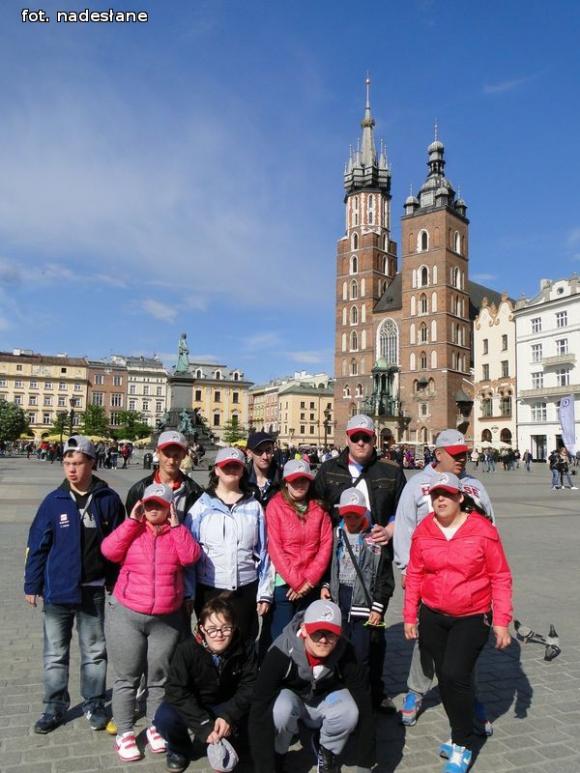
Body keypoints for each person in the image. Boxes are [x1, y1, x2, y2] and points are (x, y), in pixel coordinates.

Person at [404, 472, 512, 773]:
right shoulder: (424, 530)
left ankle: (463, 744)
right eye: (436, 495)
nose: (441, 500)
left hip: (472, 615)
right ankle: (458, 732)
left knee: (455, 675)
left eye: (447, 494)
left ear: (460, 497)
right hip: (433, 616)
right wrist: (410, 615)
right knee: (446, 678)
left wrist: (501, 621)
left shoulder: (482, 530)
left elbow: (500, 576)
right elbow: (415, 574)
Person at [393, 429, 495, 727]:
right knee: (426, 639)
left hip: (469, 581)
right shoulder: (417, 485)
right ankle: (416, 691)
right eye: (456, 454)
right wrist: (406, 569)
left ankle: (469, 696)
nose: (462, 459)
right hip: (429, 577)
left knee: (465, 646)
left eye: (465, 454)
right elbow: (404, 529)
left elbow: (491, 527)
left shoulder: (475, 486)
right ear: (438, 454)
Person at [24, 435, 125, 734]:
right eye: (67, 463)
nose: (71, 469)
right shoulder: (53, 501)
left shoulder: (108, 500)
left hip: (92, 590)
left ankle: (94, 703)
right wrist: (32, 584)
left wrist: (116, 580)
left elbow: (119, 544)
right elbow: (37, 544)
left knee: (94, 651)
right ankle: (54, 706)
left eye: (78, 463)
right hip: (57, 590)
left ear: (91, 464)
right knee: (55, 653)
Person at [312, 414, 406, 712]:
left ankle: (374, 690)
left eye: (366, 437)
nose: (361, 442)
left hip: (377, 563)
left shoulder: (390, 471)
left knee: (373, 630)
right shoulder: (329, 470)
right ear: (347, 439)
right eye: (356, 437)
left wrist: (389, 530)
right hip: (338, 562)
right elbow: (317, 511)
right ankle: (336, 686)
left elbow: (403, 512)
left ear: (374, 439)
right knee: (335, 626)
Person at [101, 483, 201, 762]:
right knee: (127, 677)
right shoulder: (133, 529)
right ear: (142, 506)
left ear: (170, 508)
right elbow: (109, 551)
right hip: (127, 614)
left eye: (160, 505)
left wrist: (177, 528)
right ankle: (124, 732)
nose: (154, 509)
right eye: (150, 505)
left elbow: (191, 557)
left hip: (166, 619)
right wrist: (132, 522)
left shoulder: (177, 533)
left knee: (159, 678)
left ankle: (155, 726)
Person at [249, 599, 375, 773]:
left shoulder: (346, 651)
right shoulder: (280, 651)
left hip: (326, 698)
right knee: (279, 711)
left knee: (350, 711)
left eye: (330, 634)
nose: (323, 640)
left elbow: (364, 701)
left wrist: (365, 763)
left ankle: (327, 751)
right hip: (292, 699)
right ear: (305, 629)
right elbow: (259, 705)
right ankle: (279, 753)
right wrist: (264, 768)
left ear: (339, 634)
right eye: (317, 632)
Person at [154, 595, 258, 773]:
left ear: (234, 627)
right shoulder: (186, 650)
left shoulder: (245, 647)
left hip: (227, 703)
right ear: (202, 628)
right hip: (194, 703)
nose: (219, 635)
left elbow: (250, 685)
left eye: (226, 628)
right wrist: (202, 724)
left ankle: (235, 740)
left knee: (254, 719)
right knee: (164, 718)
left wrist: (229, 715)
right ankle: (179, 749)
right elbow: (175, 690)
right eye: (212, 629)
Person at [185, 447, 272, 641]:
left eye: (236, 466)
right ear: (216, 470)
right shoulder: (200, 506)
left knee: (244, 641)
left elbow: (264, 552)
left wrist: (264, 593)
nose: (231, 470)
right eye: (226, 466)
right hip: (210, 588)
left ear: (243, 470)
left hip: (245, 588)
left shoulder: (254, 506)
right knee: (213, 641)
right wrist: (189, 593)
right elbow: (189, 554)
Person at [321, 487, 394, 709]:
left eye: (356, 514)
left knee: (362, 654)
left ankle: (364, 698)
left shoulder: (375, 537)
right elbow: (329, 565)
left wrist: (378, 607)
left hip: (364, 603)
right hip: (340, 599)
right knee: (338, 649)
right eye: (348, 515)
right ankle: (341, 693)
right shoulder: (336, 534)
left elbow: (385, 576)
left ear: (364, 512)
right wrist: (326, 586)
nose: (352, 519)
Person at [263, 458, 333, 646]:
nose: (300, 485)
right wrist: (296, 582)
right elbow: (275, 548)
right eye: (295, 481)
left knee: (307, 640)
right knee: (281, 641)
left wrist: (308, 582)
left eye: (304, 480)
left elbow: (325, 546)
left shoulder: (319, 508)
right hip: (284, 586)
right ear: (286, 482)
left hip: (310, 586)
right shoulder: (275, 506)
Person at [126, 431, 203, 523]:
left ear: (183, 455)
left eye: (176, 456)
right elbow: (133, 524)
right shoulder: (138, 490)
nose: (171, 461)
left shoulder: (195, 492)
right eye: (167, 454)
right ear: (158, 453)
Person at [246, 431, 282, 507]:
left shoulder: (282, 479)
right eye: (259, 451)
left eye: (268, 450)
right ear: (249, 453)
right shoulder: (242, 479)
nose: (265, 457)